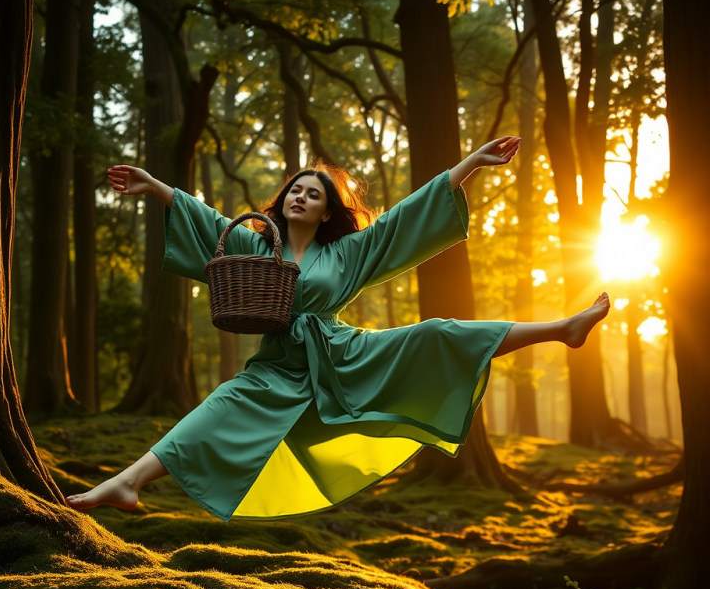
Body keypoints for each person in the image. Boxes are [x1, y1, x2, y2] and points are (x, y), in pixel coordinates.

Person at [66, 136, 610, 520]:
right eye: (293, 191)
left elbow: (405, 217)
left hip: (343, 355)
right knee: (216, 409)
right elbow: (204, 218)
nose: (298, 197)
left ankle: (562, 328)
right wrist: (155, 185)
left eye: (312, 194)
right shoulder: (257, 243)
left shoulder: (350, 251)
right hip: (279, 364)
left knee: (439, 333)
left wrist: (470, 163)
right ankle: (127, 483)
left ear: (327, 211)